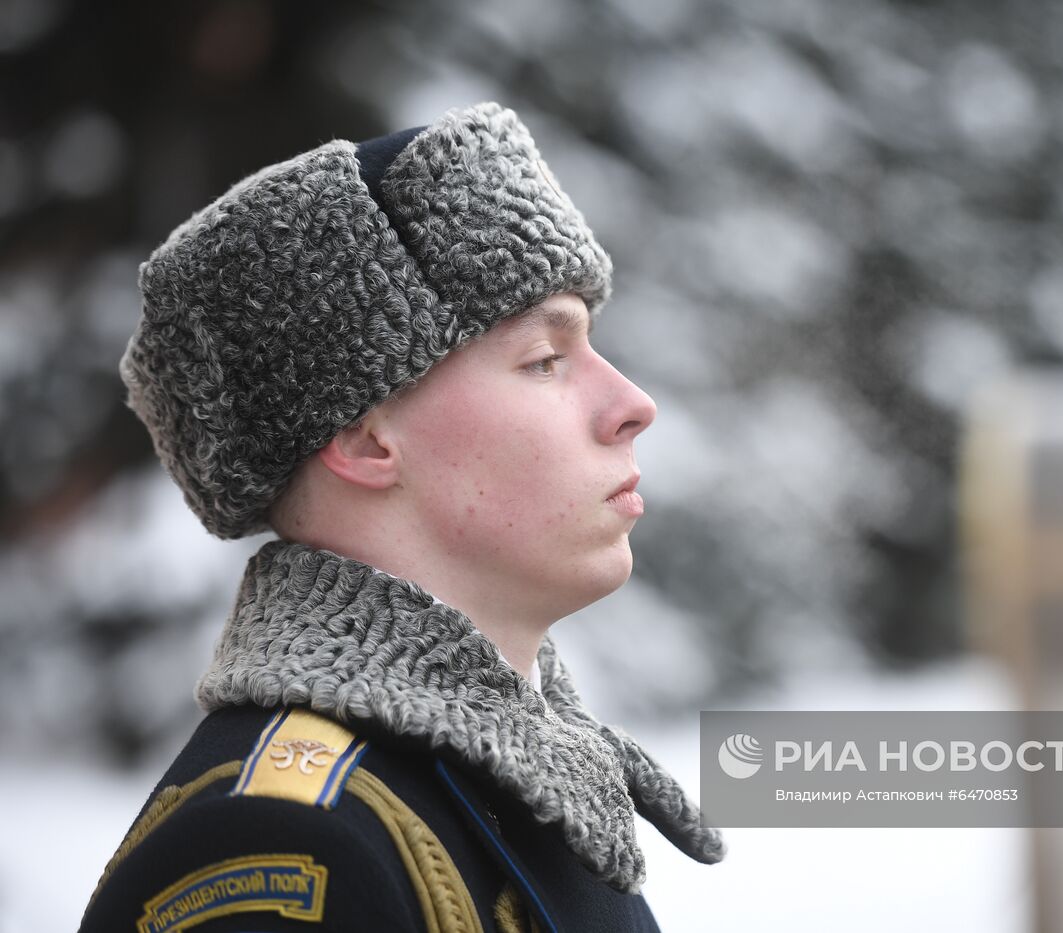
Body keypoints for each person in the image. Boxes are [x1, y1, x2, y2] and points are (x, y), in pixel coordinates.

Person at [79, 103, 726, 933]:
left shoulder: (510, 780)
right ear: (362, 437)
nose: (633, 404)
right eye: (544, 360)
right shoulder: (278, 847)